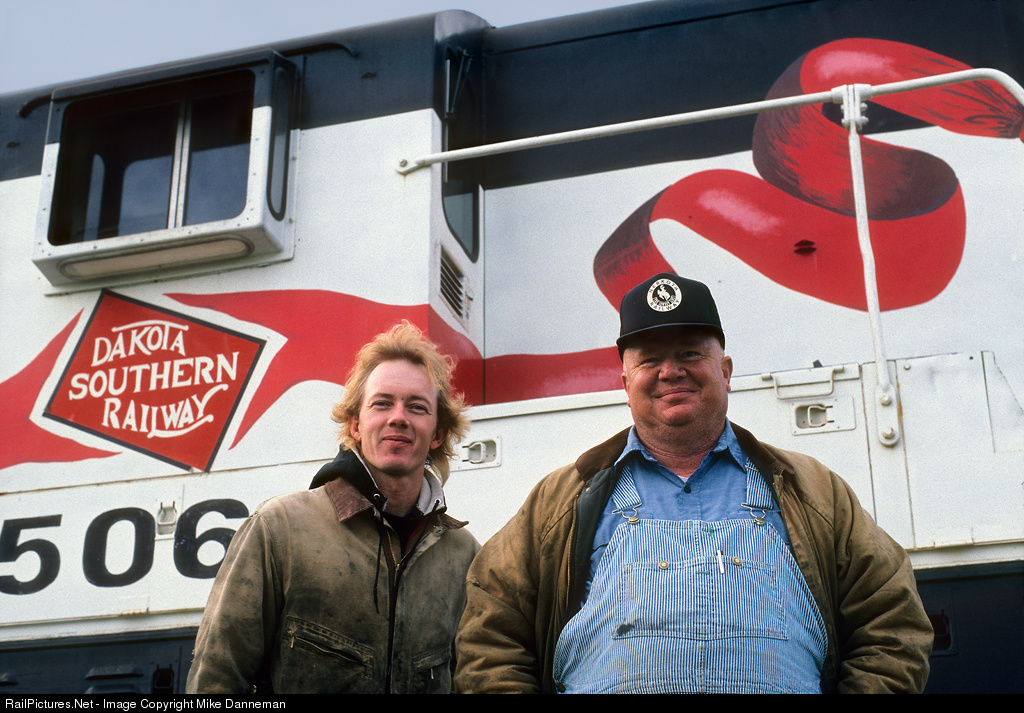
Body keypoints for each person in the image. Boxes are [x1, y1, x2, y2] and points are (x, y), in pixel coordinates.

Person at [454, 273, 932, 694]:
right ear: (625, 383)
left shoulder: (814, 491)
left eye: (689, 353)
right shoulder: (560, 500)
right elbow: (490, 637)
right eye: (650, 360)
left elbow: (892, 624)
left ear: (725, 371)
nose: (670, 371)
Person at [187, 321, 479, 693]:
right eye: (382, 403)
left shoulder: (465, 557)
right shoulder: (279, 529)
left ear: (437, 434)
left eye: (417, 407)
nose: (398, 417)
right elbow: (216, 679)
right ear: (355, 425)